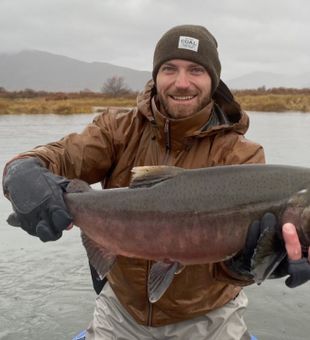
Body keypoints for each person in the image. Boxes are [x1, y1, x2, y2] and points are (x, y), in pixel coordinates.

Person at [2, 25, 310, 340]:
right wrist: (22, 170)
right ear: (156, 75)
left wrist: (249, 267)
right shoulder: (116, 130)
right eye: (169, 69)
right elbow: (56, 157)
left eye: (195, 70)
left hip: (209, 318)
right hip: (120, 312)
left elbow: (226, 270)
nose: (181, 82)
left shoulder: (242, 155)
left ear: (213, 80)